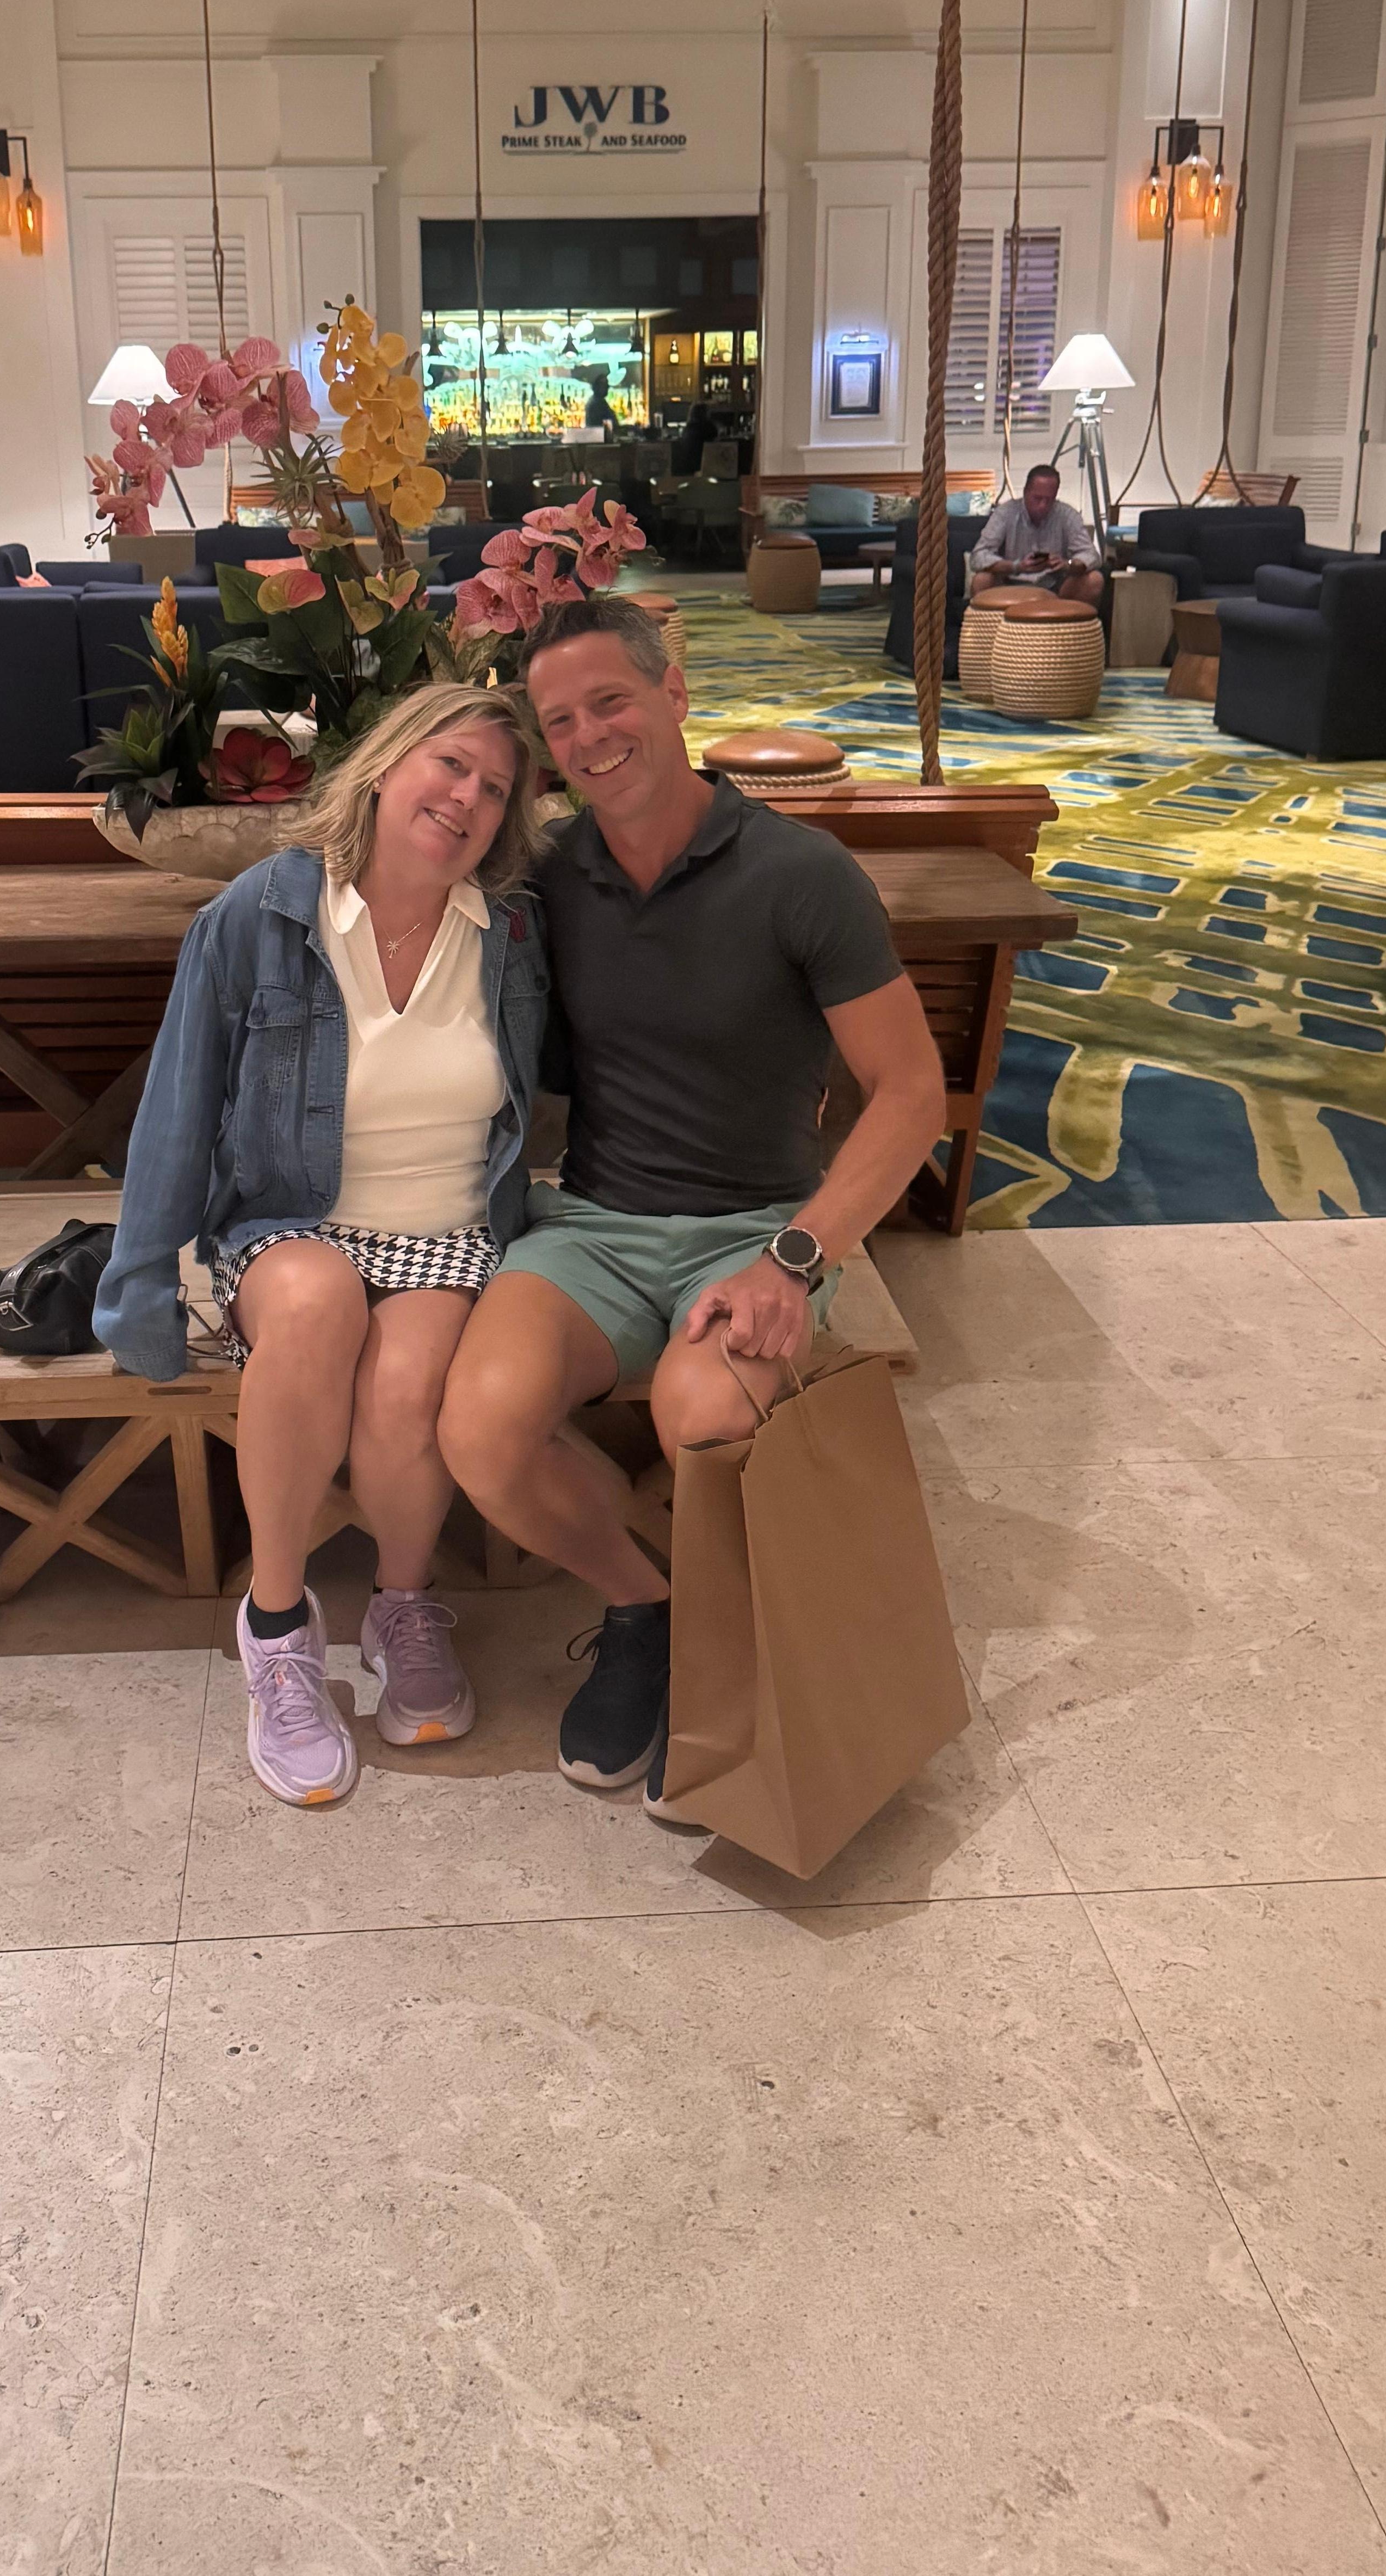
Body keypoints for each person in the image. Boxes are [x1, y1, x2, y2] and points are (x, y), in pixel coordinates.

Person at [436, 599, 950, 1825]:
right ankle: (647, 1611)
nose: (589, 736)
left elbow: (911, 1094)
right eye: (560, 722)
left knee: (704, 1413)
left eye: (610, 701)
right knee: (482, 1429)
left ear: (673, 694)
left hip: (757, 1226)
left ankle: (727, 1669)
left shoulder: (801, 875)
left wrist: (794, 1258)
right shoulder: (548, 879)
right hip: (594, 1223)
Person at [95, 687, 552, 1810]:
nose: (467, 799)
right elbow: (177, 1106)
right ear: (388, 764)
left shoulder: (509, 935)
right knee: (313, 1307)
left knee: (405, 1383)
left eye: (496, 790)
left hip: (447, 1226)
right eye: (450, 765)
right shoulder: (261, 914)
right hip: (290, 1214)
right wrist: (139, 1285)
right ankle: (278, 1626)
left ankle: (402, 1605)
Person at [968, 461, 1104, 602]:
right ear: (1025, 492)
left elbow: (1091, 555)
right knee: (982, 580)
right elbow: (978, 556)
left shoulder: (1068, 515)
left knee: (1094, 580)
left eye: (1049, 500)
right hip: (1010, 584)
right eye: (1037, 499)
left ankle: (1066, 616)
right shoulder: (1005, 513)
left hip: (1056, 585)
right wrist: (1016, 566)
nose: (1043, 506)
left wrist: (1068, 564)